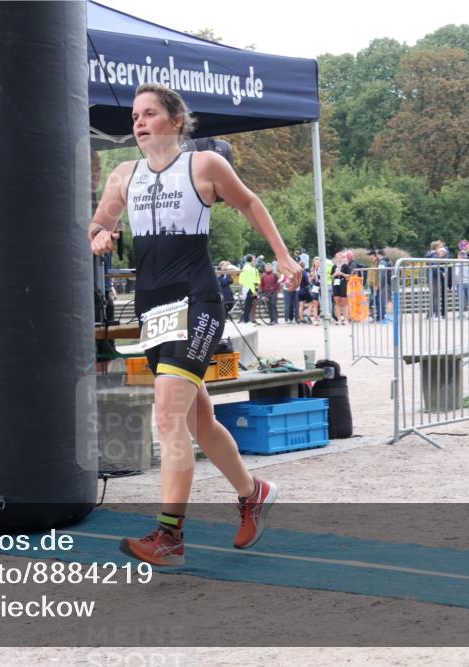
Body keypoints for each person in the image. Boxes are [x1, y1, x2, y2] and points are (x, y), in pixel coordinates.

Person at [88, 82, 301, 566]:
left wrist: (283, 256)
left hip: (198, 301)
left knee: (166, 416)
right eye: (135, 116)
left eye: (149, 114)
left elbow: (249, 203)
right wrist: (99, 237)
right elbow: (97, 225)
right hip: (152, 309)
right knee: (197, 420)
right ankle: (253, 492)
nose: (138, 123)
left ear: (175, 120)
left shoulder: (203, 165)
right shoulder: (124, 175)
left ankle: (170, 536)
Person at [238, 255, 260, 324]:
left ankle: (250, 319)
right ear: (251, 260)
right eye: (253, 260)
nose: (255, 261)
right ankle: (246, 321)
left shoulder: (252, 268)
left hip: (253, 288)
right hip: (249, 288)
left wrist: (256, 288)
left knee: (252, 304)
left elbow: (256, 279)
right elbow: (250, 281)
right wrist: (254, 291)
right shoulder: (248, 268)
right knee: (248, 305)